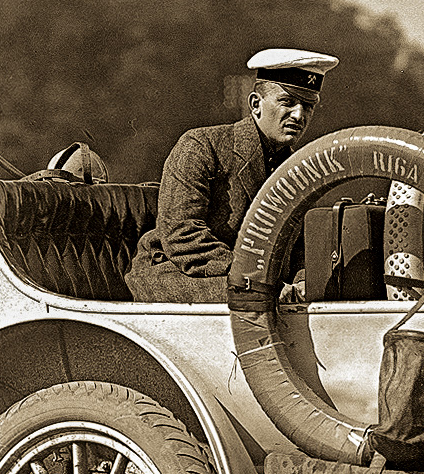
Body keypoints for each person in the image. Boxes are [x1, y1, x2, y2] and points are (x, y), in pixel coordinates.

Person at [124, 48, 336, 302]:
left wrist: (303, 281)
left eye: (308, 106)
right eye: (287, 102)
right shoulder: (201, 145)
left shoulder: (297, 170)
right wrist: (260, 280)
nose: (299, 115)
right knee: (257, 297)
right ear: (256, 104)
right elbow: (182, 235)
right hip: (176, 273)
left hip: (251, 284)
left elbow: (300, 245)